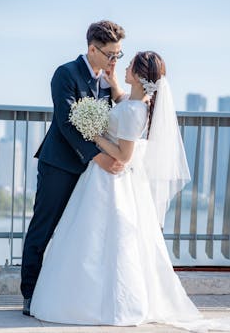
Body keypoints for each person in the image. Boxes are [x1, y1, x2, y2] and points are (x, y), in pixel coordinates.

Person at [30, 51, 230, 332]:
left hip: (111, 176)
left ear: (138, 75)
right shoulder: (138, 101)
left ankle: (101, 302)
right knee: (101, 238)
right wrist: (113, 86)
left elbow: (123, 155)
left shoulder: (137, 109)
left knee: (102, 237)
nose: (122, 66)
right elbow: (125, 103)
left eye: (129, 65)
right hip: (106, 179)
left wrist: (94, 136)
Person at [21, 20, 126, 316]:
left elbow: (119, 114)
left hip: (92, 175)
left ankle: (67, 296)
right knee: (44, 228)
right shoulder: (65, 73)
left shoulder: (107, 79)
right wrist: (98, 157)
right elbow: (67, 123)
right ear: (92, 48)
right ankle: (30, 293)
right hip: (60, 165)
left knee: (79, 235)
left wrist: (114, 82)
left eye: (119, 54)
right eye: (110, 54)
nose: (115, 60)